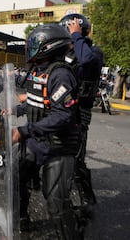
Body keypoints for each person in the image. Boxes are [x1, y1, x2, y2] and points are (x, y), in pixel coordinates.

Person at [12, 24, 83, 238]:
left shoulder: (61, 75)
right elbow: (37, 102)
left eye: (34, 44)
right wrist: (13, 110)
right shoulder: (38, 71)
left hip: (59, 146)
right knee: (15, 175)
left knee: (55, 200)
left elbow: (63, 115)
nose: (30, 48)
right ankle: (20, 218)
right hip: (38, 139)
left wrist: (25, 130)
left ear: (47, 46)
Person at [60, 13, 103, 212]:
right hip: (60, 109)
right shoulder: (65, 54)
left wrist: (76, 35)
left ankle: (87, 200)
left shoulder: (93, 52)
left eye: (70, 30)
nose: (67, 34)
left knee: (76, 161)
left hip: (80, 112)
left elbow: (85, 60)